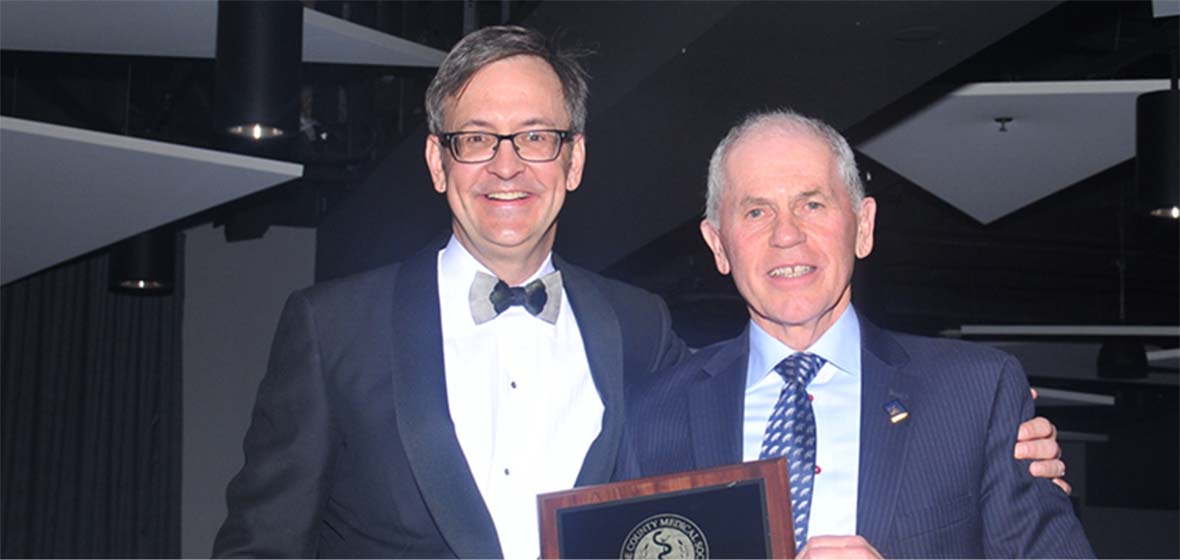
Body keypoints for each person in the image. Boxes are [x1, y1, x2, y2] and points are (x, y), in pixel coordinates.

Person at [214, 26, 1069, 559]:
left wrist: (1007, 442)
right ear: (439, 162)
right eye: (478, 138)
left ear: (575, 159)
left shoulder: (640, 336)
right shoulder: (333, 328)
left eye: (538, 137)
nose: (508, 165)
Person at [617, 109, 1093, 558]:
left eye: (813, 204)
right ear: (719, 245)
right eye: (757, 212)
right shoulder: (652, 416)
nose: (787, 234)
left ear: (863, 226)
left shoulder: (975, 394)